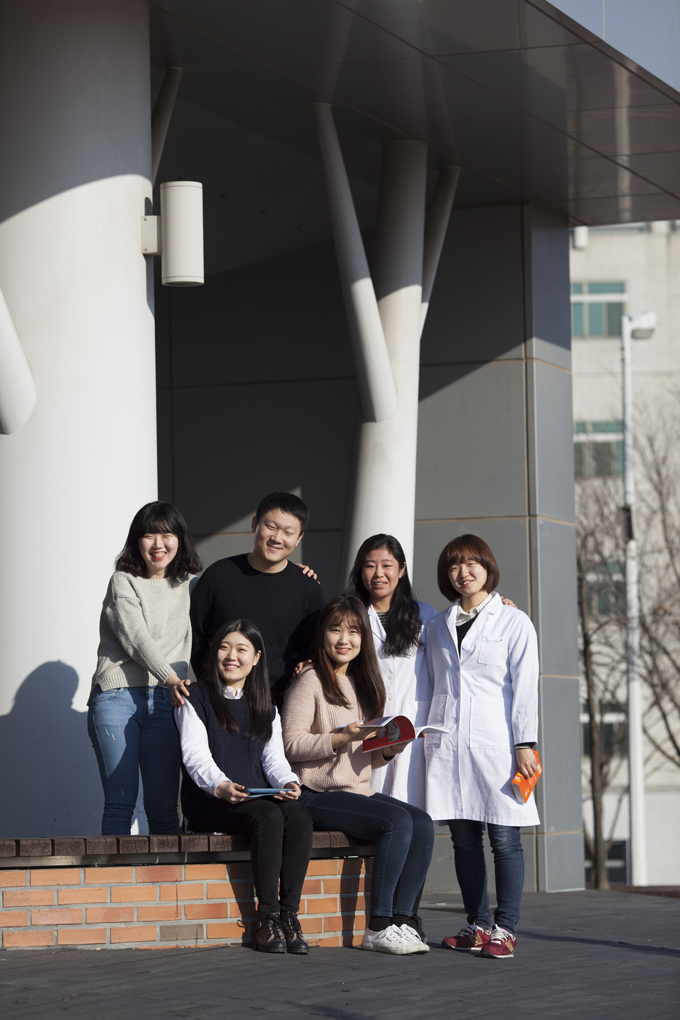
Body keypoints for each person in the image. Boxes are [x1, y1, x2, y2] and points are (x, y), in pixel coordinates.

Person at [282, 595, 435, 956]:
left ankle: (403, 920)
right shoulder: (309, 681)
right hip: (314, 793)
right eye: (335, 630)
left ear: (364, 639)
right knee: (397, 821)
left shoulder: (364, 686)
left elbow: (368, 758)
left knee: (423, 823)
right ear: (322, 635)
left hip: (355, 791)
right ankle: (378, 926)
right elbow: (291, 745)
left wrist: (392, 747)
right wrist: (341, 737)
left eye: (353, 631)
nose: (344, 639)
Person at [424, 534, 540, 960]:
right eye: (454, 566)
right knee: (464, 842)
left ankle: (505, 928)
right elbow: (428, 683)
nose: (463, 572)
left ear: (488, 567)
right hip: (448, 747)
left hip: (498, 746)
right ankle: (477, 924)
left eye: (472, 563)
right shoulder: (436, 625)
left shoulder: (513, 621)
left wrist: (525, 743)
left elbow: (525, 687)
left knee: (504, 840)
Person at [176, 619, 313, 955]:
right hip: (210, 801)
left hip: (252, 796)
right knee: (268, 816)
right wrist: (221, 785)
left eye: (241, 649)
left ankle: (289, 915)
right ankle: (267, 919)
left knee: (298, 816)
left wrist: (288, 782)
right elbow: (195, 756)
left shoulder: (266, 707)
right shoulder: (195, 698)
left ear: (256, 658)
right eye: (224, 648)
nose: (231, 656)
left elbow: (273, 760)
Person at [88, 501, 202, 835]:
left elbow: (233, 598)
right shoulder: (122, 581)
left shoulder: (193, 585)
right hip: (117, 697)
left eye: (167, 535)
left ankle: (163, 873)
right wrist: (171, 677)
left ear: (180, 539)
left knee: (164, 809)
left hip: (167, 699)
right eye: (149, 535)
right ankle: (116, 872)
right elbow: (136, 638)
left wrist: (290, 569)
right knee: (120, 805)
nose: (158, 544)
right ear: (136, 541)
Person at [190, 492, 325, 702]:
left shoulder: (308, 588)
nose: (277, 538)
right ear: (255, 524)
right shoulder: (219, 575)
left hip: (279, 704)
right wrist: (209, 683)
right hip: (218, 699)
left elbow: (311, 651)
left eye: (288, 532)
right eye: (270, 527)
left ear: (299, 538)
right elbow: (195, 635)